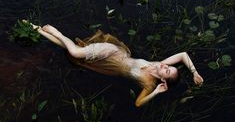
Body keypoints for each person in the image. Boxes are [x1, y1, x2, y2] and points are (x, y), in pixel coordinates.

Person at [23, 21, 204, 107]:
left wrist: (156, 93)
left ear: (163, 81)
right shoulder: (158, 63)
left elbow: (138, 104)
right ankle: (56, 30)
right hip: (113, 51)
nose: (164, 67)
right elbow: (183, 55)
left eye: (167, 71)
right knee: (75, 52)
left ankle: (35, 29)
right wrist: (194, 72)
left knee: (76, 56)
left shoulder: (149, 84)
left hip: (109, 65)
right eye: (169, 67)